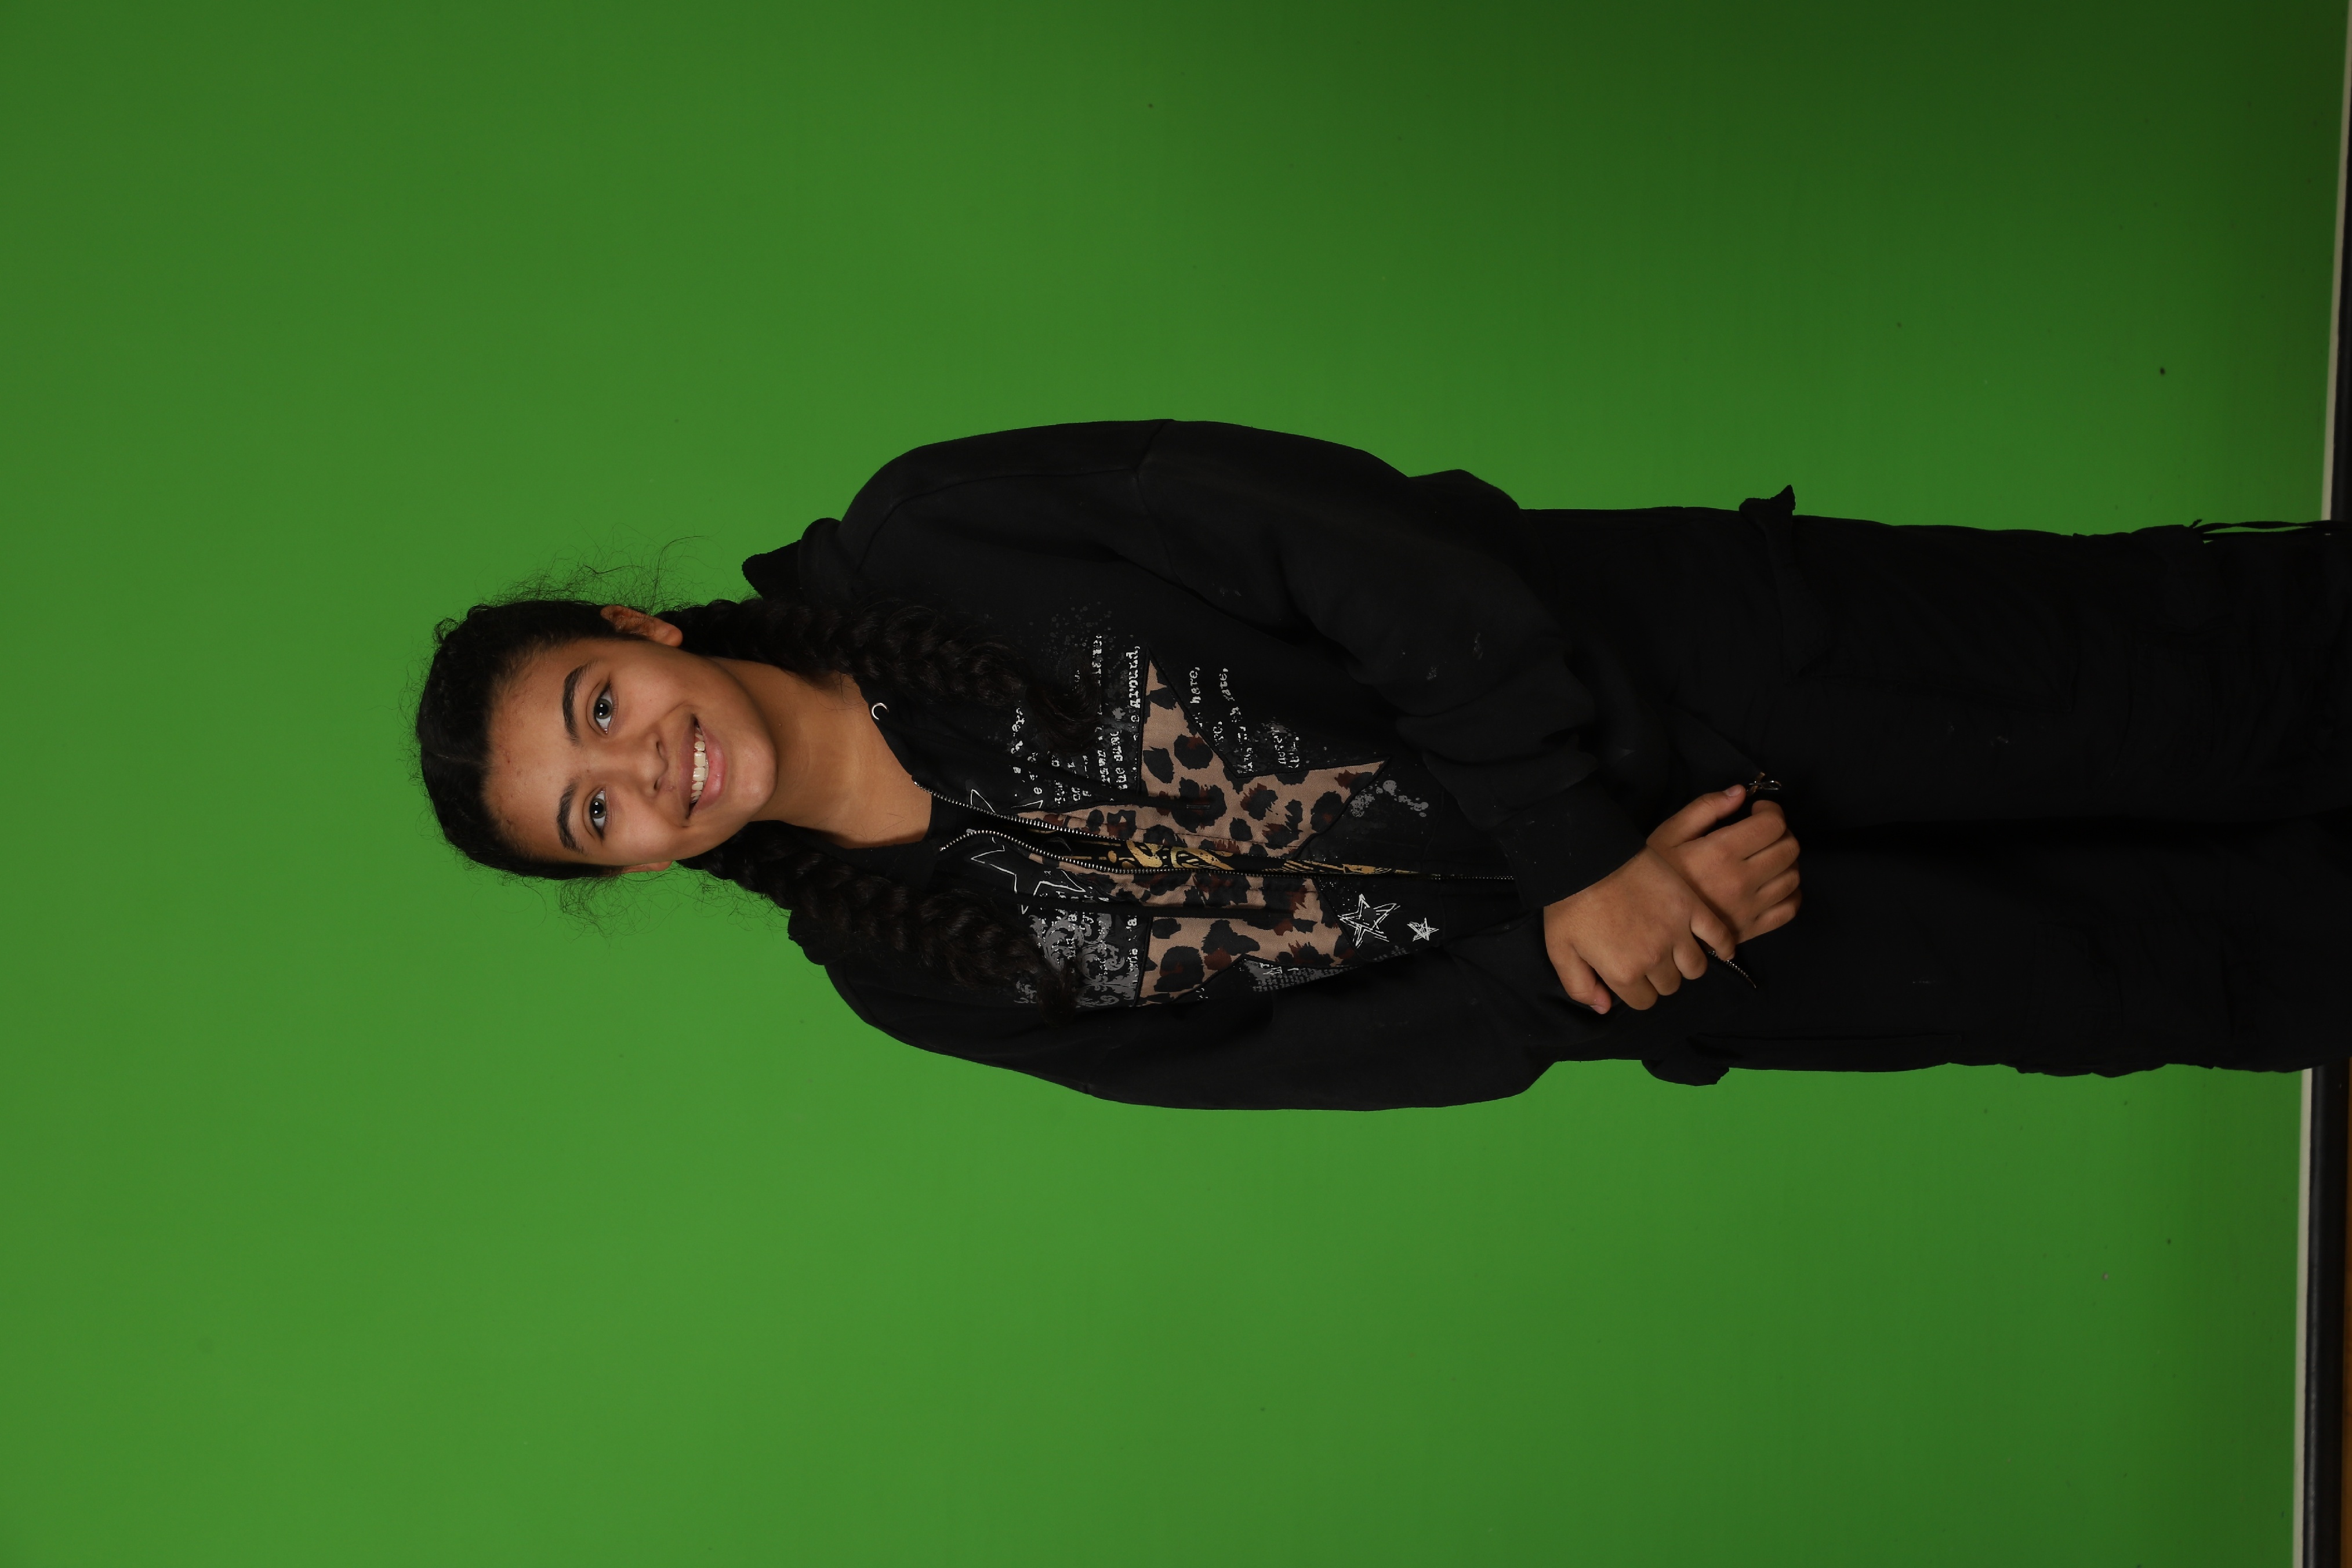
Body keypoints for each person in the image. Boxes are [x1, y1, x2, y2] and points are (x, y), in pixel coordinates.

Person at [415, 420, 2352, 1109]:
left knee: (2225, 689)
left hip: (1713, 671)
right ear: (624, 870)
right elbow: (1301, 1059)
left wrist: (1579, 845)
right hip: (1693, 951)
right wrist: (1585, 954)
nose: (643, 770)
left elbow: (1345, 542)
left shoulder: (935, 532)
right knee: (2170, 974)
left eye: (597, 705)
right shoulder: (907, 973)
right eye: (591, 817)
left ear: (639, 631)